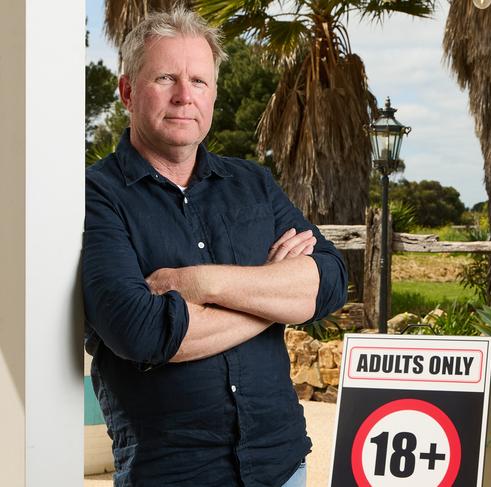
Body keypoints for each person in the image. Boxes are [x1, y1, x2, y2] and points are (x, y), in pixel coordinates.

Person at [82, 8, 347, 487]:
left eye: (199, 81)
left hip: (281, 465)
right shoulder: (95, 196)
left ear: (215, 94)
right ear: (126, 92)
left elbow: (329, 281)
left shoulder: (254, 185)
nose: (186, 96)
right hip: (172, 473)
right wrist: (273, 298)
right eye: (166, 78)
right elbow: (140, 331)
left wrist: (198, 282)